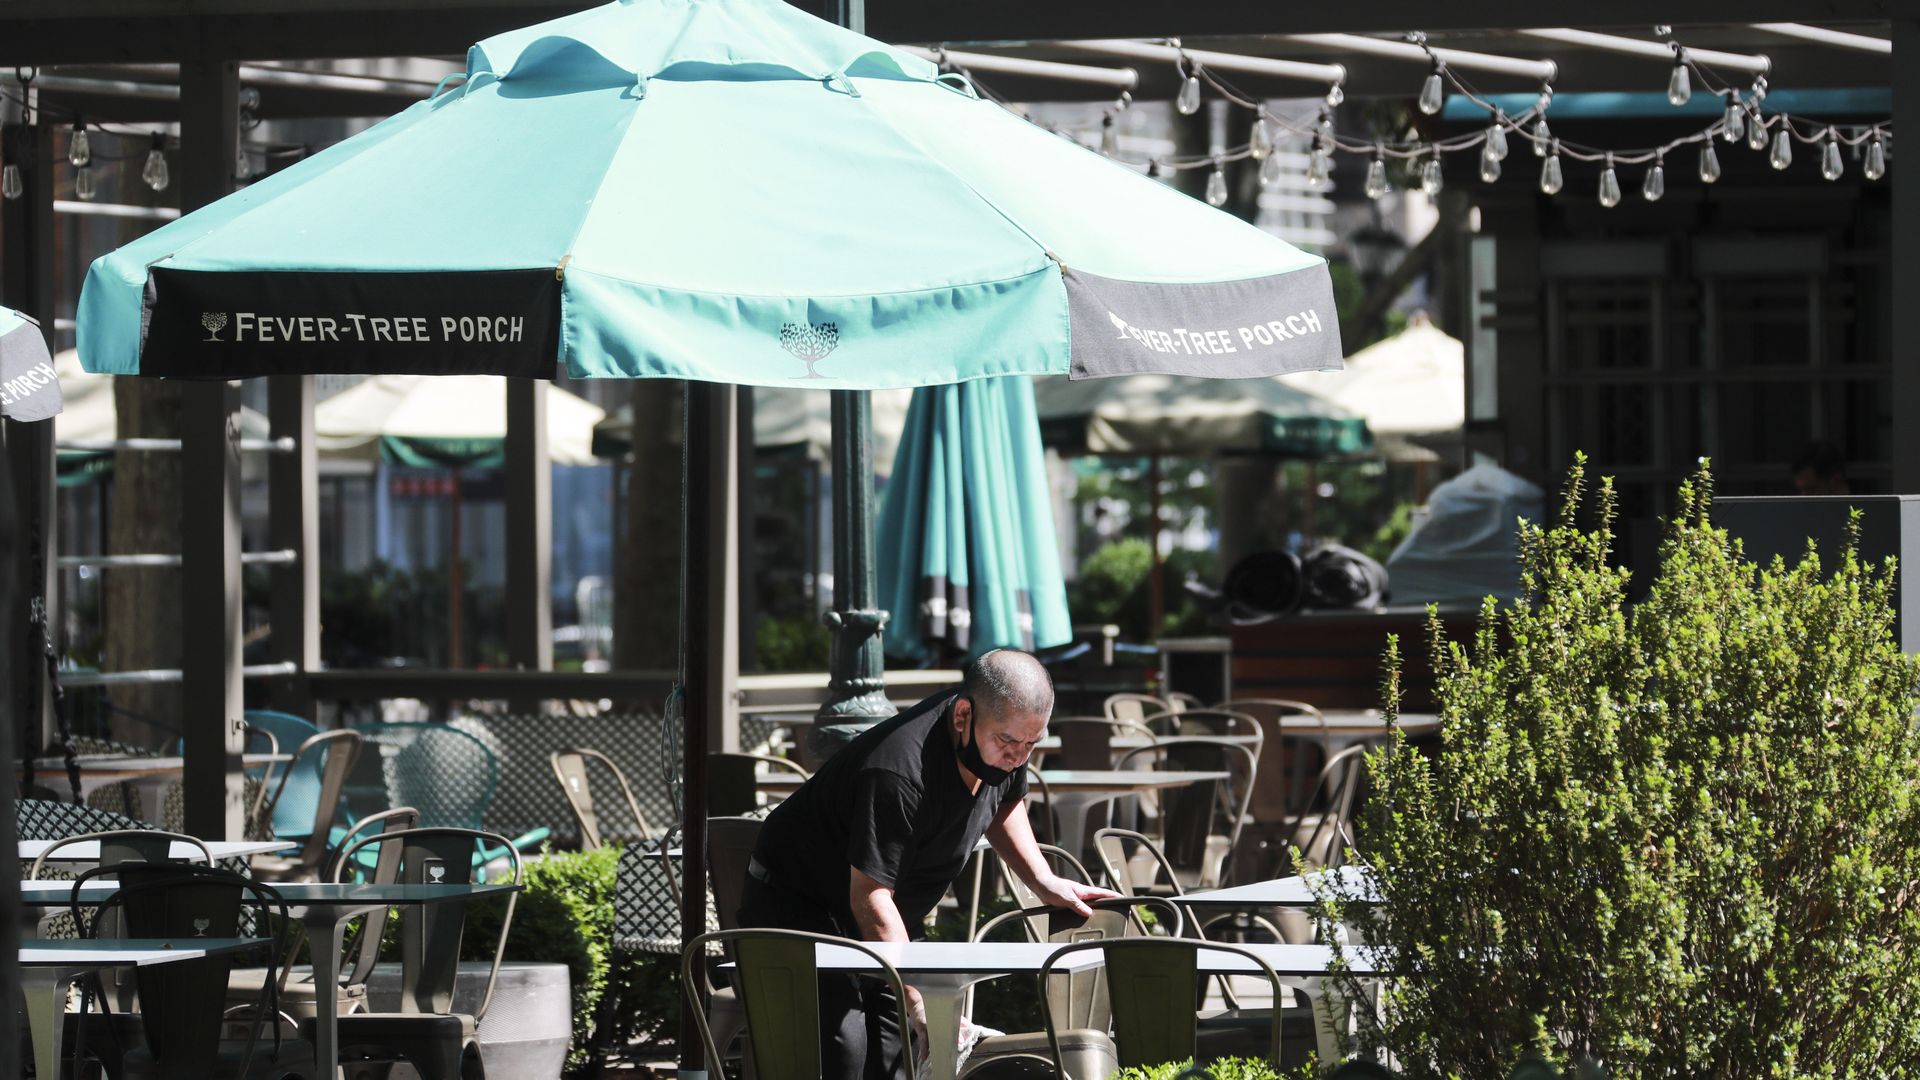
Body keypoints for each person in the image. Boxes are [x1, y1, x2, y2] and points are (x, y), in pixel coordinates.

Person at [737, 648, 1118, 1080]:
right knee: (845, 1050)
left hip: (888, 910)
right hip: (798, 906)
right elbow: (871, 897)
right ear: (962, 716)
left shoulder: (1003, 740)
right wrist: (919, 1002)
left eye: (1032, 744)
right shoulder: (898, 771)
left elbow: (1004, 803)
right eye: (1009, 742)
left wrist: (1044, 880)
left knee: (897, 1050)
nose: (1018, 757)